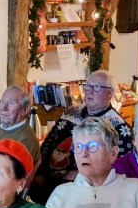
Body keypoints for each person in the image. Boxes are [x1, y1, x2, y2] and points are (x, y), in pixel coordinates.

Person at [35, 69, 133, 199]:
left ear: (110, 94)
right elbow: (49, 142)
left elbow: (119, 168)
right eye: (87, 86)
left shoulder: (118, 127)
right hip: (50, 178)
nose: (89, 91)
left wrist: (81, 175)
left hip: (83, 186)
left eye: (97, 87)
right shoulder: (71, 112)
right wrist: (40, 171)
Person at [0, 86, 39, 163]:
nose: (3, 108)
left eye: (11, 103)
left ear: (25, 110)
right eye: (2, 101)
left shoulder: (26, 139)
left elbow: (9, 174)